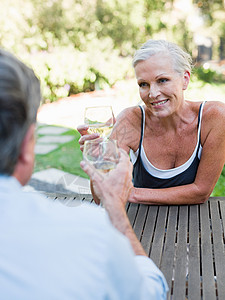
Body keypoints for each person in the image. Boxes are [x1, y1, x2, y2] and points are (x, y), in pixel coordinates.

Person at [0, 49, 168, 299]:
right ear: (26, 145)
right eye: (143, 84)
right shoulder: (90, 232)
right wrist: (117, 213)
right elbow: (152, 293)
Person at [78, 39, 225, 205]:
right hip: (142, 225)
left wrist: (131, 194)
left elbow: (201, 192)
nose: (153, 93)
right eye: (143, 84)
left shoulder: (214, 118)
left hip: (194, 225)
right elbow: (102, 197)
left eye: (162, 80)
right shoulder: (130, 121)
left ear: (185, 79)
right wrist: (100, 163)